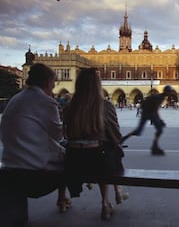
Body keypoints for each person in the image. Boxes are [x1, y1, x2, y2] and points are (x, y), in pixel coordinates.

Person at [0, 63, 70, 213]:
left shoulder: (15, 99)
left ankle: (62, 199)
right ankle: (62, 198)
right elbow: (58, 136)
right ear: (46, 82)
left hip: (9, 167)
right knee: (72, 156)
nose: (54, 86)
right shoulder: (45, 101)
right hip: (36, 174)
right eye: (53, 82)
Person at [63, 68, 126, 220]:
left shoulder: (69, 107)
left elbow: (65, 135)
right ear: (98, 85)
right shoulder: (105, 106)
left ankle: (64, 198)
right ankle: (105, 203)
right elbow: (116, 136)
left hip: (73, 161)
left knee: (98, 153)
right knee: (109, 153)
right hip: (98, 160)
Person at [122, 85, 173, 155]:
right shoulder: (159, 98)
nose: (170, 93)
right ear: (166, 92)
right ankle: (154, 148)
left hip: (149, 113)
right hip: (147, 113)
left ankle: (155, 147)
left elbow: (155, 110)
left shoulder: (161, 97)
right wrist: (160, 120)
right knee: (139, 131)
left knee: (158, 129)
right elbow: (155, 110)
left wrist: (159, 120)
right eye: (170, 92)